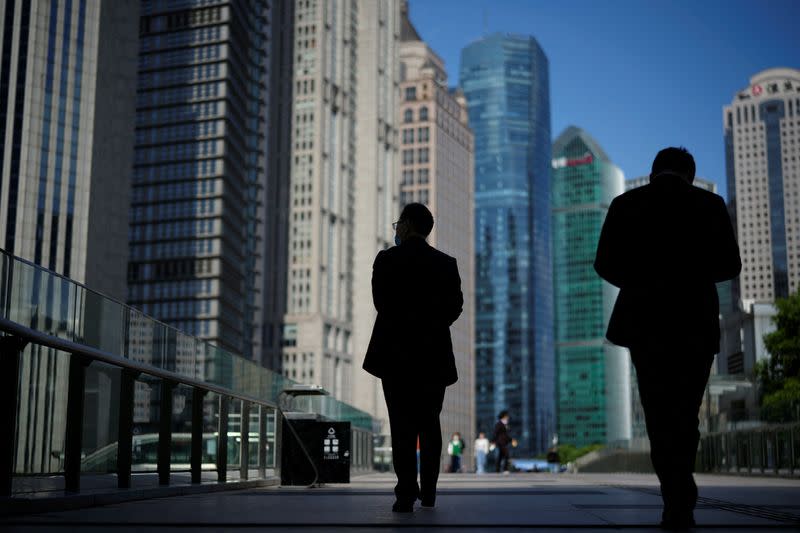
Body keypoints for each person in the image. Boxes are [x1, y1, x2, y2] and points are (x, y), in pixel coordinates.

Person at [594, 147, 741, 530]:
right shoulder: (709, 204)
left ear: (654, 169)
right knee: (685, 412)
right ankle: (681, 493)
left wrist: (642, 281)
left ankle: (674, 495)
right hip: (695, 322)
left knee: (658, 411)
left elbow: (603, 263)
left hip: (646, 323)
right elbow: (731, 264)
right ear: (689, 174)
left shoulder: (627, 204)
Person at [363, 203, 464, 513]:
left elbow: (380, 302)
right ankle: (430, 492)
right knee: (429, 423)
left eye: (398, 223)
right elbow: (455, 307)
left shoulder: (387, 259)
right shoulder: (446, 263)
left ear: (405, 225)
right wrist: (430, 324)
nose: (396, 229)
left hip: (395, 355)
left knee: (402, 425)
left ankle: (406, 492)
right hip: (433, 355)